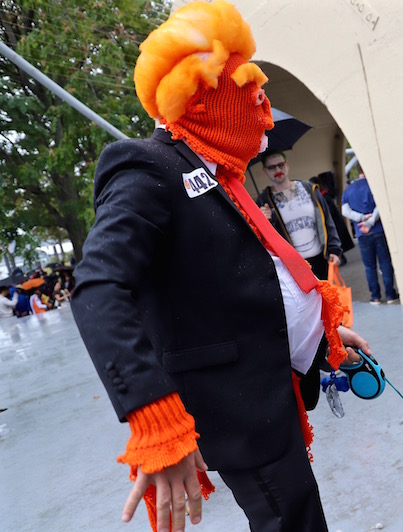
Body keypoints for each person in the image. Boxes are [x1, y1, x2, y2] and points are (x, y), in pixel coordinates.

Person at [70, 3, 369, 531]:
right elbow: (98, 285)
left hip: (271, 383)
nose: (265, 112)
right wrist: (153, 416)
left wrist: (321, 336)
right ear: (202, 99)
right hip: (237, 404)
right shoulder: (146, 166)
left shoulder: (221, 175)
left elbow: (248, 278)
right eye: (252, 94)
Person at [255, 151, 343, 279]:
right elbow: (264, 239)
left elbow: (327, 220)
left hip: (321, 259)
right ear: (265, 171)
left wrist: (334, 249)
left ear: (287, 165)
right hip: (294, 267)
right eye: (272, 167)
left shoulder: (309, 189)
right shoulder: (264, 201)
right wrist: (265, 221)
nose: (278, 169)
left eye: (281, 165)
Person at [341, 171, 399, 304]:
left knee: (369, 267)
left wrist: (361, 219)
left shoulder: (348, 190)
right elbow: (380, 205)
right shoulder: (373, 185)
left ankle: (375, 296)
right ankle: (390, 294)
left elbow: (345, 211)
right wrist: (370, 221)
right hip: (378, 230)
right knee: (385, 263)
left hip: (361, 233)